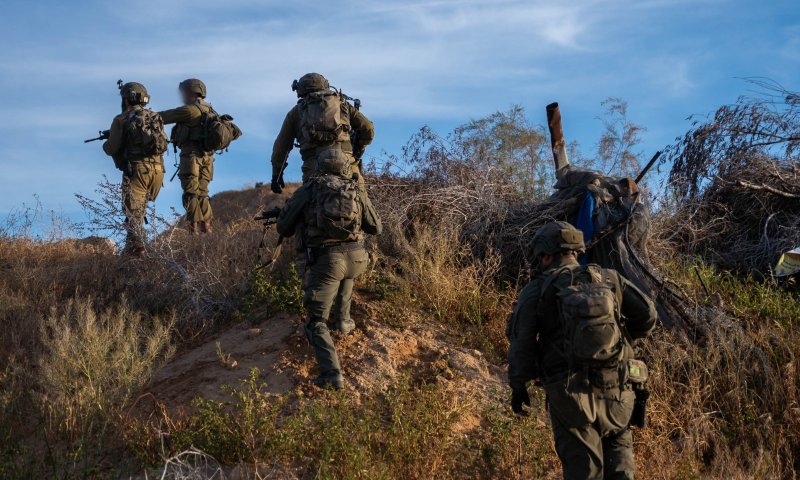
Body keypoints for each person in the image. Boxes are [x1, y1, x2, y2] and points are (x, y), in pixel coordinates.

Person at [507, 221, 657, 480]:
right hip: (618, 391)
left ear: (545, 255)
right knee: (621, 470)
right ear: (575, 250)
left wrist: (519, 385)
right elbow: (648, 316)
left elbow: (522, 342)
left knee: (584, 471)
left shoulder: (537, 289)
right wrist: (622, 342)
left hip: (570, 396)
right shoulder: (610, 279)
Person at [276, 148, 382, 389]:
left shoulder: (310, 189)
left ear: (319, 166)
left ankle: (331, 374)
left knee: (315, 323)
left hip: (328, 261)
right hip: (358, 259)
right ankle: (343, 320)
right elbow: (376, 227)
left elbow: (284, 227)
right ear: (345, 167)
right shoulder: (355, 189)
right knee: (346, 277)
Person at [270, 72, 374, 192]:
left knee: (292, 210)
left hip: (313, 172)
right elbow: (368, 130)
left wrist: (276, 175)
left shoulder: (295, 113)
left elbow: (280, 148)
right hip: (348, 169)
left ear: (300, 91)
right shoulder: (343, 105)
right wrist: (357, 150)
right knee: (365, 206)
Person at [101, 82, 167, 256]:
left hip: (137, 171)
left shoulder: (121, 119)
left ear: (126, 99)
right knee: (138, 212)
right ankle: (129, 251)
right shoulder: (155, 117)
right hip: (158, 172)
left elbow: (112, 148)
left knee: (133, 214)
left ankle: (140, 253)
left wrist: (106, 143)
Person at [158, 78, 216, 234]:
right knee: (203, 193)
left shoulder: (189, 110)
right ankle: (207, 230)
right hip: (208, 158)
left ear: (190, 91)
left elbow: (161, 117)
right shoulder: (211, 110)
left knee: (190, 192)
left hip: (191, 156)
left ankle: (194, 231)